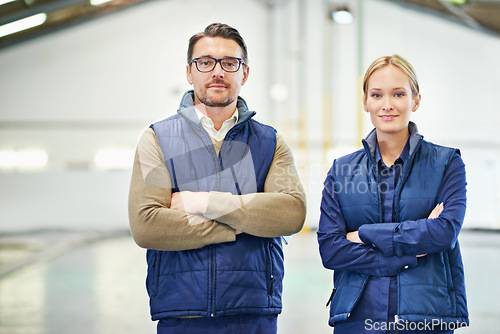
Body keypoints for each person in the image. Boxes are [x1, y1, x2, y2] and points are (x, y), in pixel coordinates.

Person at [128, 23, 306, 334]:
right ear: (189, 72)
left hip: (254, 310)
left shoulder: (269, 141)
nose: (217, 72)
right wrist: (239, 224)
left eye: (229, 63)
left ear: (244, 73)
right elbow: (147, 225)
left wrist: (203, 202)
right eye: (205, 62)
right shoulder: (157, 138)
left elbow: (291, 213)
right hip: (182, 311)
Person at [317, 55, 468, 333]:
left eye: (398, 94)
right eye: (377, 94)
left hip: (425, 318)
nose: (387, 104)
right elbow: (331, 250)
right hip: (357, 317)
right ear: (366, 102)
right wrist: (408, 251)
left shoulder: (446, 163)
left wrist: (364, 235)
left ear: (416, 100)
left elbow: (444, 233)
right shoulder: (342, 171)